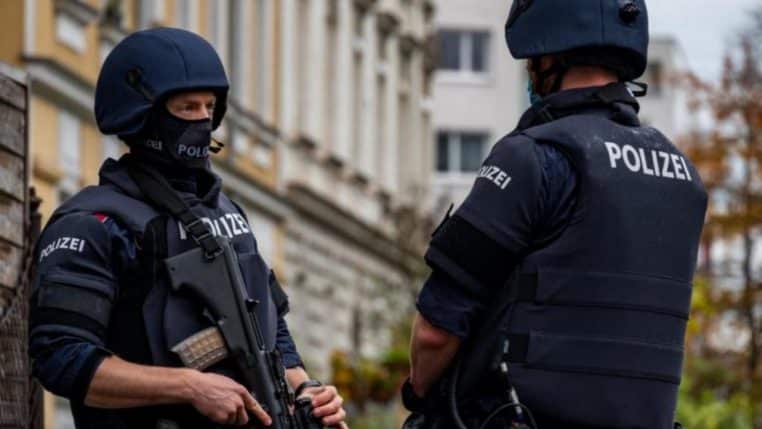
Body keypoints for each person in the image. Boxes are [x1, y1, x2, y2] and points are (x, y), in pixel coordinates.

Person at [402, 1, 707, 428]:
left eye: (531, 61)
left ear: (549, 57)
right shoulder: (683, 177)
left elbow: (436, 331)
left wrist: (418, 392)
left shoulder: (533, 157)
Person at [29, 27, 347, 429]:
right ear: (143, 115)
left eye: (209, 107)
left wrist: (306, 390)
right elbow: (61, 357)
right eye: (186, 107)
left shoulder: (228, 214)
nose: (202, 119)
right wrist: (189, 386)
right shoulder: (94, 222)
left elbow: (270, 333)